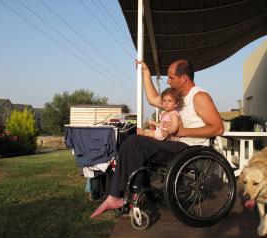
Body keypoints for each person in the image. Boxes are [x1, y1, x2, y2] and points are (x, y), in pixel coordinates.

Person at [90, 59, 224, 218]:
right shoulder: (176, 99)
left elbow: (218, 128)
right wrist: (146, 73)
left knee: (135, 142)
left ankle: (125, 197)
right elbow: (153, 99)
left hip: (190, 148)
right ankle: (119, 196)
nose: (168, 81)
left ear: (184, 79)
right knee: (131, 141)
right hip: (173, 145)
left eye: (171, 77)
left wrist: (182, 131)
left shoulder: (199, 97)